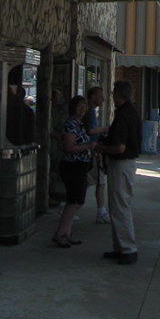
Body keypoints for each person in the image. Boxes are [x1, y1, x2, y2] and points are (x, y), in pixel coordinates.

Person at [101, 80, 142, 265]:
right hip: (126, 163)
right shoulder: (131, 112)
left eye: (113, 92)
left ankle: (128, 248)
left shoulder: (123, 115)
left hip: (121, 163)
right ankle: (120, 246)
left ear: (118, 94)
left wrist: (101, 148)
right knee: (118, 205)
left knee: (120, 205)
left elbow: (120, 147)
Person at [52, 95, 97, 248]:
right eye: (79, 105)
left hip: (81, 166)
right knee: (76, 201)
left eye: (85, 105)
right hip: (72, 166)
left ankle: (67, 234)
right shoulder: (70, 124)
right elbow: (69, 147)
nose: (83, 108)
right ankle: (60, 233)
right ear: (73, 107)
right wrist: (88, 147)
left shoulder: (80, 124)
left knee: (74, 200)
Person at [85, 85, 110, 223]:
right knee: (99, 182)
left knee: (90, 181)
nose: (103, 99)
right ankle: (101, 212)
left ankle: (67, 203)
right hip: (92, 151)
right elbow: (90, 130)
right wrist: (104, 129)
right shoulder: (89, 112)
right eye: (101, 96)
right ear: (93, 97)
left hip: (91, 150)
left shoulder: (90, 111)